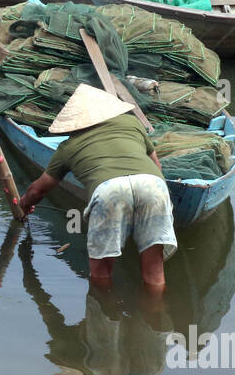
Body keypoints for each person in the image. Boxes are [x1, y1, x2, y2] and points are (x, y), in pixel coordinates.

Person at [16, 85, 176, 293]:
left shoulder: (68, 146)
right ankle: (155, 315)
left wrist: (23, 205)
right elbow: (157, 166)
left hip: (110, 191)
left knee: (101, 272)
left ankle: (104, 313)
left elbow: (39, 190)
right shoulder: (131, 122)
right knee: (155, 271)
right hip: (153, 185)